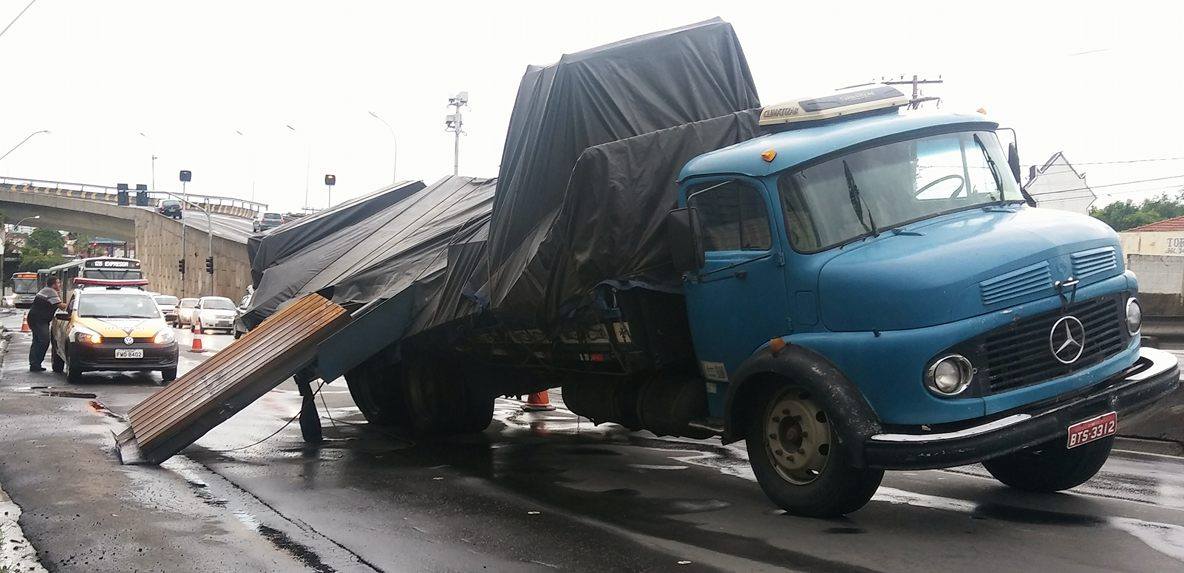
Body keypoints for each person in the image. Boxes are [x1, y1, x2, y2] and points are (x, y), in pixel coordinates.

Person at [27, 277, 66, 372]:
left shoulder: (46, 290)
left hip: (36, 318)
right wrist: (74, 305)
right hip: (38, 320)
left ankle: (34, 364)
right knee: (44, 341)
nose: (60, 285)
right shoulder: (50, 291)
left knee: (37, 341)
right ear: (53, 284)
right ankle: (35, 364)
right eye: (58, 283)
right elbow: (61, 306)